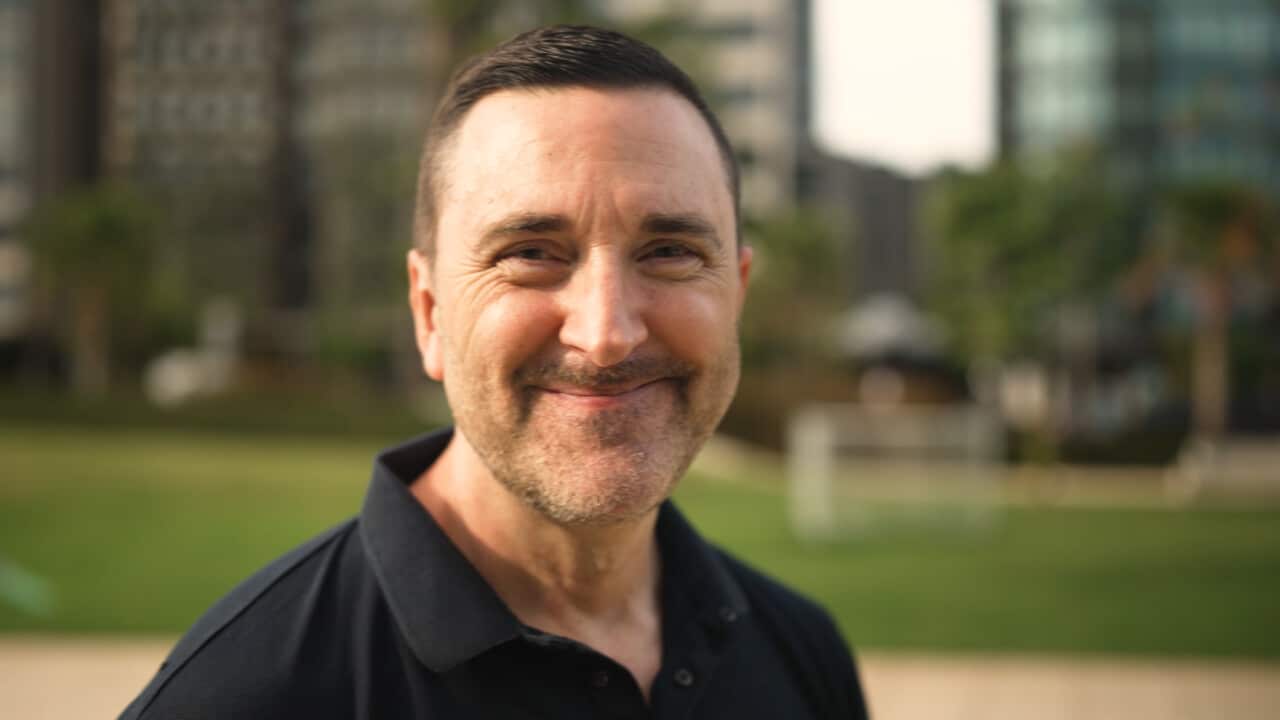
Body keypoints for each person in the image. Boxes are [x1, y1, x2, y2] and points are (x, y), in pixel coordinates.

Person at [120, 25, 869, 719]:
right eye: (531, 253)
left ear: (736, 294)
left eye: (669, 252)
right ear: (430, 313)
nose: (606, 334)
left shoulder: (803, 655)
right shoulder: (244, 698)